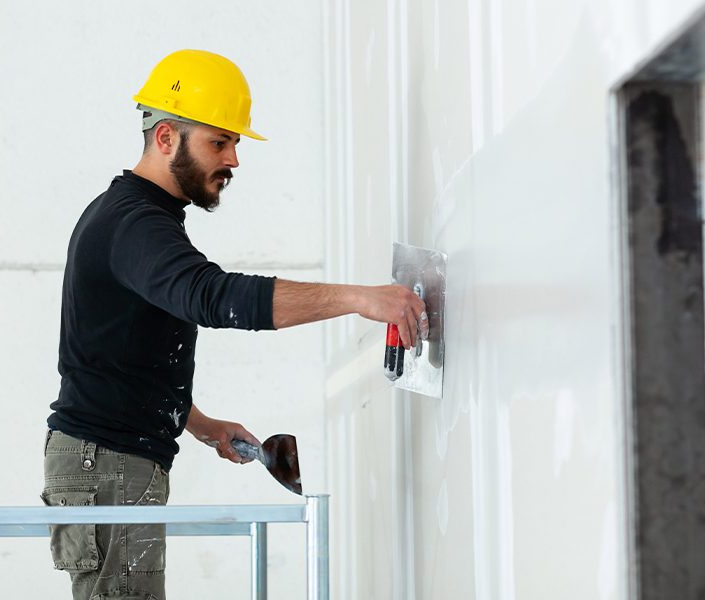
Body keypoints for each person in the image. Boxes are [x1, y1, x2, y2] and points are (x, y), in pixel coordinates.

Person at [42, 49, 427, 600]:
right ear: (167, 137)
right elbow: (210, 296)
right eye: (218, 142)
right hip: (106, 461)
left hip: (109, 458)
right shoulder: (134, 224)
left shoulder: (135, 218)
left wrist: (197, 421)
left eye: (236, 143)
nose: (233, 160)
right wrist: (358, 298)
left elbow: (112, 351)